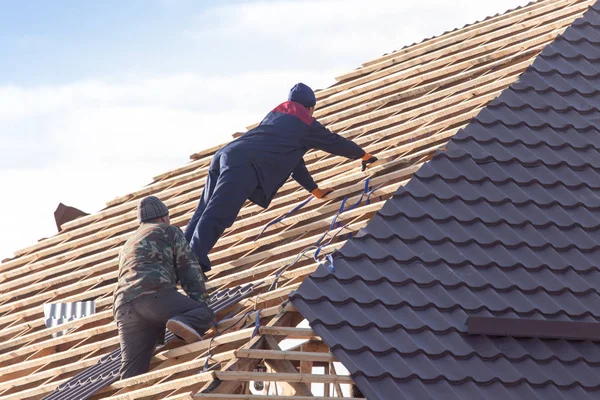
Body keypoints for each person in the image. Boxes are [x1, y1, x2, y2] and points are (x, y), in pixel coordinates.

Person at [184, 82, 378, 273]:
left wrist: (314, 190)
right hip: (243, 164)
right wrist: (364, 155)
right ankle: (192, 262)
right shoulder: (305, 123)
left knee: (204, 208)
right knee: (220, 212)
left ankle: (179, 256)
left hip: (224, 154)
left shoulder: (276, 117)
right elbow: (335, 143)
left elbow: (293, 160)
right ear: (311, 107)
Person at [113, 196, 215, 379]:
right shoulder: (169, 231)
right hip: (153, 295)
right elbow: (189, 270)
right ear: (163, 217)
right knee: (203, 313)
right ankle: (185, 321)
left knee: (131, 375)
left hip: (123, 307)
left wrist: (158, 338)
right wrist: (202, 306)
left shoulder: (127, 244)